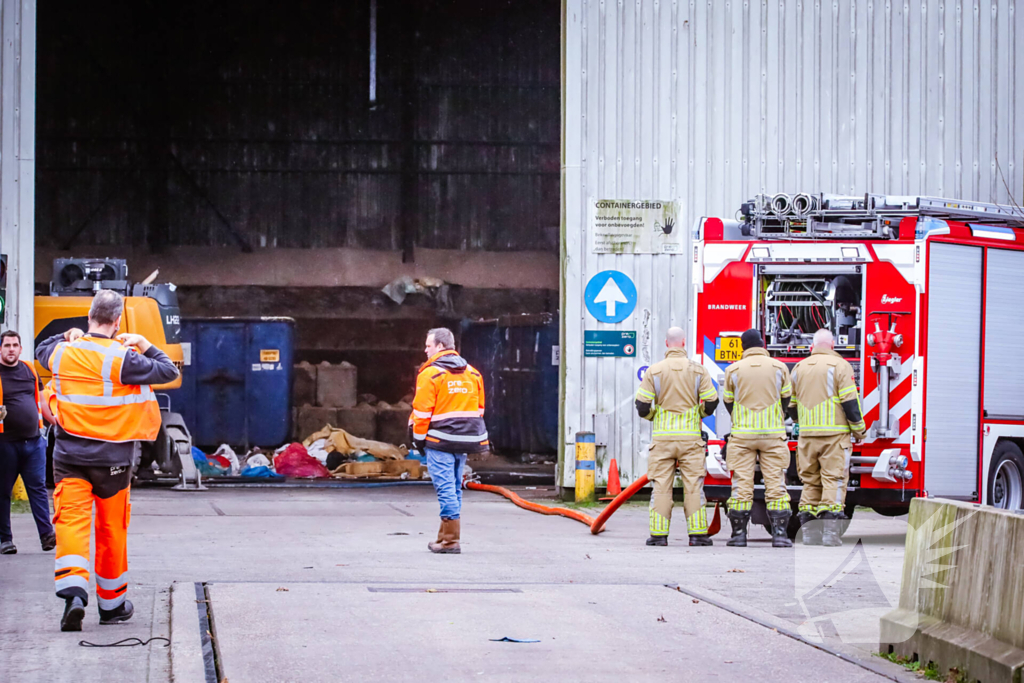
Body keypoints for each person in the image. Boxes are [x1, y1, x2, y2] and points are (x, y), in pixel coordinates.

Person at [36, 290, 179, 632]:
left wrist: (67, 334)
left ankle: (73, 594)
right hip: (113, 461)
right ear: (117, 322)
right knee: (111, 529)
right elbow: (168, 370)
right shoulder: (122, 359)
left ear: (88, 316)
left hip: (69, 457)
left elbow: (42, 347)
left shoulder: (61, 352)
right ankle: (112, 606)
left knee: (71, 522)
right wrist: (144, 342)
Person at [635, 327, 719, 546]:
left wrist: (656, 416)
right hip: (691, 439)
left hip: (663, 440)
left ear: (666, 343)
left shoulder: (654, 371)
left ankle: (658, 537)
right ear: (683, 343)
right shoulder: (698, 370)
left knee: (661, 487)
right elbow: (712, 402)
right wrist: (698, 413)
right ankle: (698, 535)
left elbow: (642, 406)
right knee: (693, 486)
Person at [409, 328, 487, 555]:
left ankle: (451, 540)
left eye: (428, 345)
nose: (425, 349)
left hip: (439, 441)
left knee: (445, 489)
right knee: (453, 488)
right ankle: (443, 538)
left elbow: (422, 413)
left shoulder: (431, 374)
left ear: (440, 347)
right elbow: (479, 409)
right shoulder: (473, 374)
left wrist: (418, 440)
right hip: (465, 441)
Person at [789, 329, 866, 546]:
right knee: (834, 479)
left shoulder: (798, 368)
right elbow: (850, 402)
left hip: (807, 436)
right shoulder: (840, 366)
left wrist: (805, 423)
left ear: (812, 347)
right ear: (832, 345)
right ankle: (830, 534)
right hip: (834, 435)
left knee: (810, 481)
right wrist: (859, 430)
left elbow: (792, 406)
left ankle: (810, 534)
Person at [721, 329, 794, 548]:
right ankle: (780, 536)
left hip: (743, 435)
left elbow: (728, 401)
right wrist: (777, 417)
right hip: (772, 435)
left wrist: (739, 417)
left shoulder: (733, 369)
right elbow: (787, 398)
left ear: (743, 347)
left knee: (741, 485)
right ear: (762, 344)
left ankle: (739, 536)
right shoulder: (779, 367)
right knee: (776, 485)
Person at [0, 330, 54, 555]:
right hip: (5, 444)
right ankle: (5, 540)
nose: (11, 349)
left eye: (15, 345)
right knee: (3, 492)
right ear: (0, 349)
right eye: (6, 345)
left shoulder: (30, 370)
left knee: (38, 489)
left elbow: (41, 400)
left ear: (21, 349)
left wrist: (58, 422)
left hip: (33, 442)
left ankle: (47, 535)